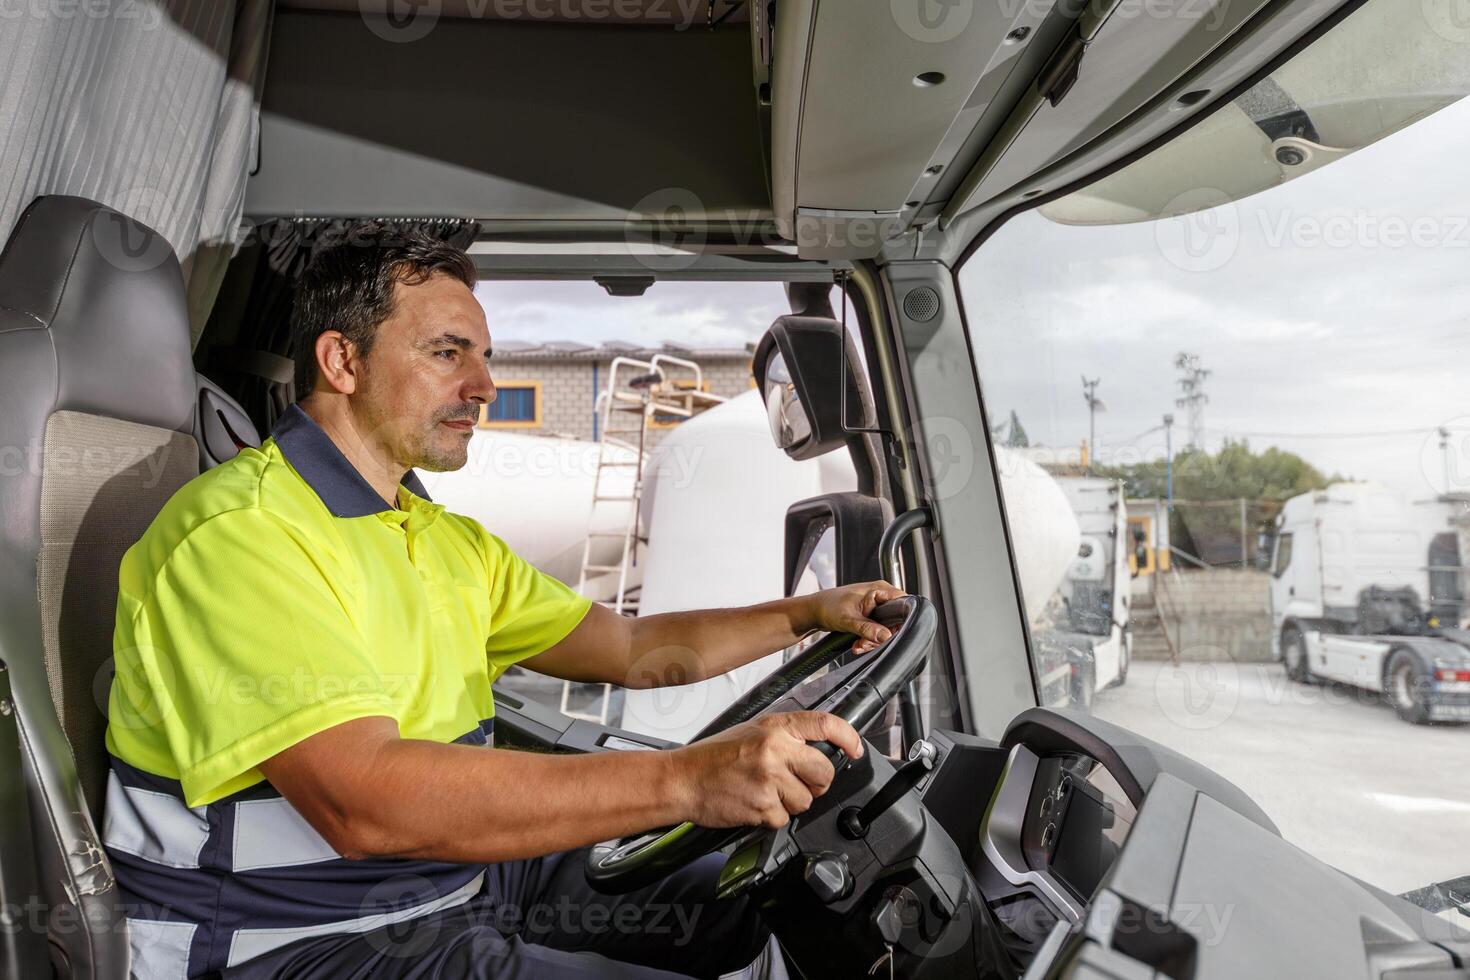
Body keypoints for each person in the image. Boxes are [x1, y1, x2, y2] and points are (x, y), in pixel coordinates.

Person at [104, 225, 904, 979]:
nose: (484, 386)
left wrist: (809, 614)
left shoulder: (439, 538)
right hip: (288, 938)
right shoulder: (243, 534)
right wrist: (690, 781)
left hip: (447, 881)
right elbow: (364, 805)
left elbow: (631, 649)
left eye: (482, 356)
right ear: (342, 361)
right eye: (447, 354)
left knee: (747, 906)